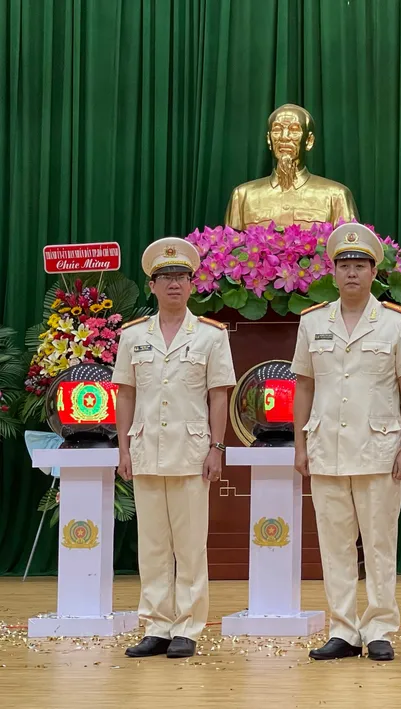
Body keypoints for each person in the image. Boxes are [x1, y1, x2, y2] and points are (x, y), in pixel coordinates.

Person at [291, 222, 401, 662]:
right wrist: (299, 444)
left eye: (360, 265)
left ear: (373, 273)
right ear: (333, 273)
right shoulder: (312, 323)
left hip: (379, 450)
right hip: (325, 447)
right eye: (344, 265)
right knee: (335, 544)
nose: (352, 273)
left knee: (381, 541)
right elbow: (304, 386)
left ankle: (381, 626)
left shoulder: (395, 322)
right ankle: (344, 628)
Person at [114, 237, 236, 659]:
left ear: (192, 284)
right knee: (151, 544)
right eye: (164, 277)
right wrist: (123, 449)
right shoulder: (132, 336)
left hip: (191, 451)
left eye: (180, 277)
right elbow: (125, 394)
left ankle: (188, 626)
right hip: (146, 449)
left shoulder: (209, 335)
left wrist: (217, 447)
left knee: (189, 544)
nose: (173, 284)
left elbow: (218, 395)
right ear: (151, 286)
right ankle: (156, 625)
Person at [225, 103, 359, 230]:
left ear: (309, 141)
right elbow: (230, 249)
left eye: (294, 131)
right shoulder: (243, 196)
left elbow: (349, 247)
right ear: (269, 140)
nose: (284, 137)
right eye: (277, 130)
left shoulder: (336, 196)